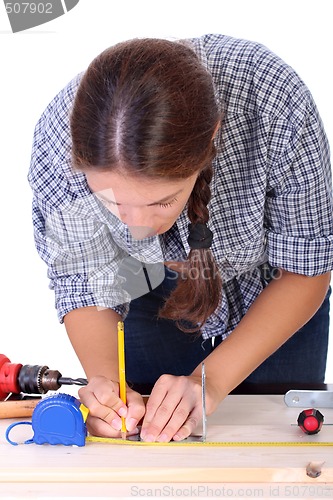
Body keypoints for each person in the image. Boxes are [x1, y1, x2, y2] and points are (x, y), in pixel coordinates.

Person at [28, 34, 332, 442]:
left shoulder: (273, 97)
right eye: (111, 200)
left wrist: (211, 382)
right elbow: (84, 282)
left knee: (275, 440)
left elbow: (305, 265)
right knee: (152, 441)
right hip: (141, 285)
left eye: (160, 202)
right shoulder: (56, 139)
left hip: (273, 288)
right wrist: (106, 389)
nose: (135, 226)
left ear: (212, 138)